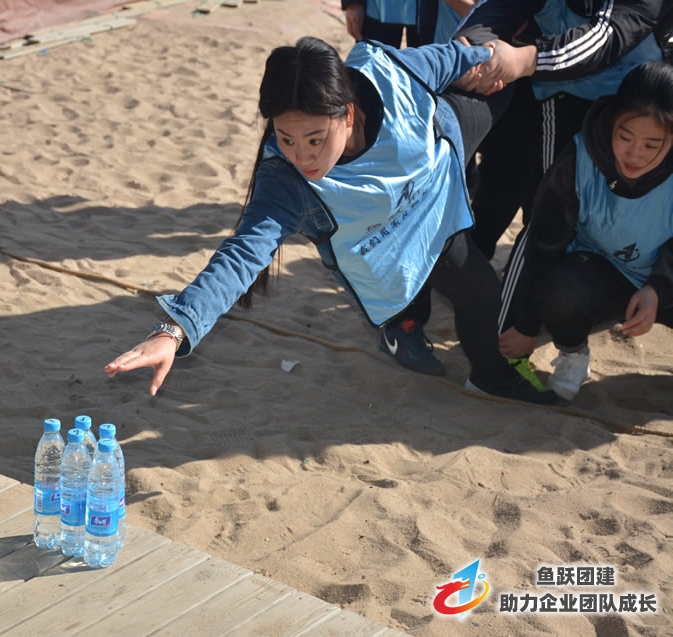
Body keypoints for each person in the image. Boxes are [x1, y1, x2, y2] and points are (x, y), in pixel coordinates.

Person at [105, 36, 557, 405]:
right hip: (394, 241)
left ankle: (482, 364)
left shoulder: (388, 74)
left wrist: (498, 56)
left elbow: (451, 57)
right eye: (286, 138)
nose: (302, 156)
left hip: (438, 170)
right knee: (480, 289)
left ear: (348, 113)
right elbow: (240, 256)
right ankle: (460, 360)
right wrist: (174, 329)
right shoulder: (286, 183)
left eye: (315, 139)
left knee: (506, 81)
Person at [498, 61, 673, 400]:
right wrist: (526, 324)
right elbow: (542, 244)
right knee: (563, 293)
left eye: (652, 145)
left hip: (659, 276)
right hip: (596, 270)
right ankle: (573, 352)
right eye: (625, 137)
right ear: (611, 121)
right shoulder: (579, 158)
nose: (635, 154)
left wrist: (657, 288)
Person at [453, 0, 673, 262]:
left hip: (638, 103)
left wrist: (525, 59)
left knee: (623, 198)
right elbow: (500, 6)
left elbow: (608, 34)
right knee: (546, 198)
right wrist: (473, 48)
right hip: (561, 91)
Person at [340, 0, 479, 376]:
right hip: (410, 34)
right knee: (400, 185)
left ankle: (446, 291)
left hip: (463, 49)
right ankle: (404, 324)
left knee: (455, 178)